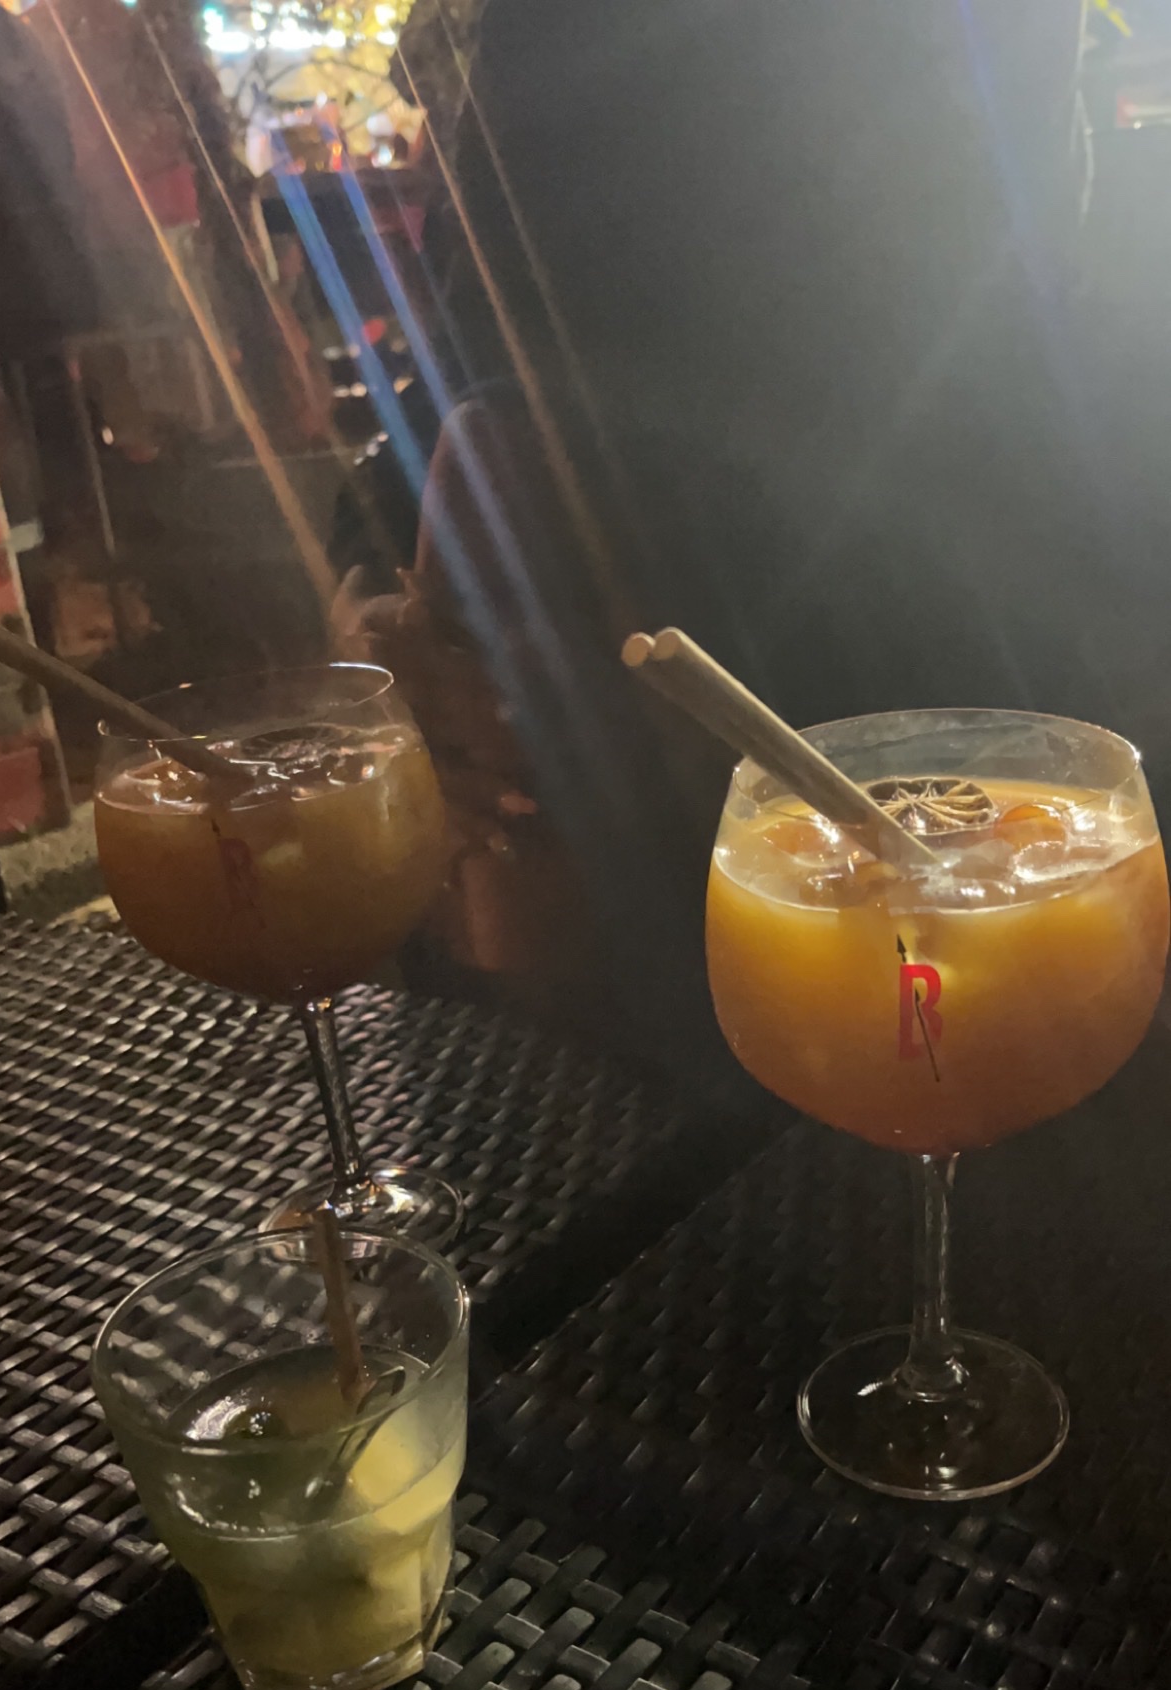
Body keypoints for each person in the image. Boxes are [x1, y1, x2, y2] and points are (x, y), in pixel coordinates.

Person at [340, 0, 1142, 1078]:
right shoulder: (563, 70)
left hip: (1011, 850)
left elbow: (1042, 333)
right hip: (614, 965)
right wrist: (383, 648)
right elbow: (419, 432)